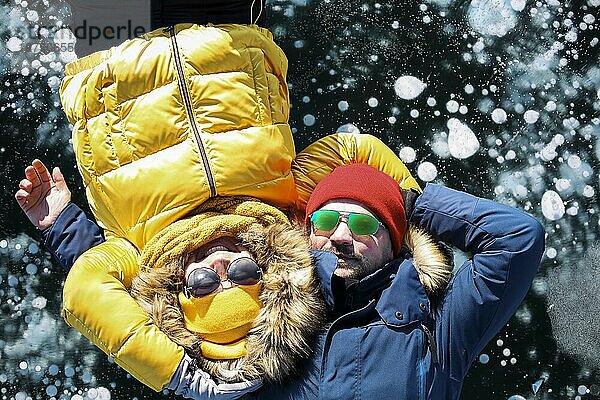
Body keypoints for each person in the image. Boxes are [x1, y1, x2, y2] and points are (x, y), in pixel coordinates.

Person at [17, 153, 545, 399]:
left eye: (361, 222)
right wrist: (62, 223)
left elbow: (517, 238)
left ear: (393, 237)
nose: (340, 236)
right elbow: (151, 296)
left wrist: (410, 199)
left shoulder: (438, 326)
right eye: (324, 221)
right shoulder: (262, 302)